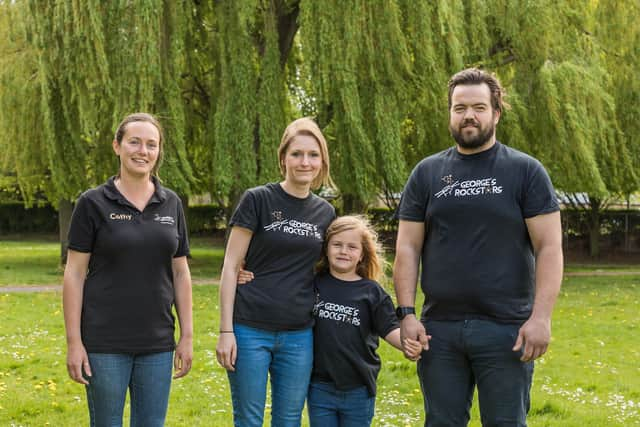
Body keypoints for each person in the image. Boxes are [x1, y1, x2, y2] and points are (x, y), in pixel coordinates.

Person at [393, 68, 563, 426]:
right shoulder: (426, 173)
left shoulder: (526, 171)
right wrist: (407, 314)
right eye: (459, 107)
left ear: (496, 113)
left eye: (479, 107)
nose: (468, 115)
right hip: (439, 330)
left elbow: (549, 247)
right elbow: (407, 248)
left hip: (507, 330)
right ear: (450, 113)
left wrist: (541, 318)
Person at [63, 112, 193, 427]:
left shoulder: (171, 204)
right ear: (117, 147)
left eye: (151, 144)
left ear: (159, 151)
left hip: (157, 343)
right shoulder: (92, 203)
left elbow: (180, 272)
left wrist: (187, 335)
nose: (143, 151)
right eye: (134, 142)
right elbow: (74, 274)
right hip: (104, 343)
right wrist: (74, 342)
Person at [215, 117, 337, 427]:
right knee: (248, 419)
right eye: (296, 154)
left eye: (312, 154)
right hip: (249, 330)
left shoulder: (326, 213)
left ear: (322, 161)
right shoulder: (258, 199)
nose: (304, 162)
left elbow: (331, 267)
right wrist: (225, 331)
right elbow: (230, 265)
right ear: (283, 158)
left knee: (289, 420)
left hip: (299, 334)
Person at [307, 215, 423, 427]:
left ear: (362, 254)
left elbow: (390, 329)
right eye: (337, 245)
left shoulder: (371, 292)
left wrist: (409, 344)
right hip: (320, 387)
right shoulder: (314, 284)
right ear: (326, 248)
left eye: (352, 247)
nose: (343, 251)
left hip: (358, 389)